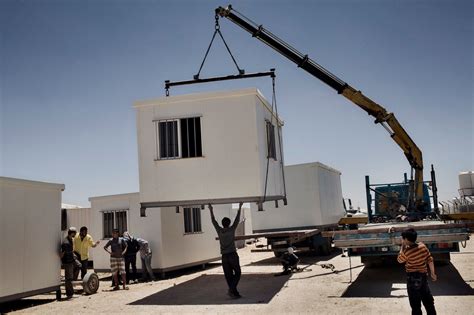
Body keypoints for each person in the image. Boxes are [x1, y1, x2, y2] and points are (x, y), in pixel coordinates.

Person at [397, 228, 437, 315]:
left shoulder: (407, 251)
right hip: (423, 277)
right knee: (428, 300)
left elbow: (399, 260)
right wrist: (433, 273)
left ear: (406, 239)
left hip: (412, 278)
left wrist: (402, 247)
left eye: (403, 239)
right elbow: (430, 259)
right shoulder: (423, 246)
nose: (402, 240)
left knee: (415, 303)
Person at [209, 203, 243, 298]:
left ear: (222, 224)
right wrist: (240, 207)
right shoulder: (232, 229)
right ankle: (231, 290)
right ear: (228, 223)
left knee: (228, 276)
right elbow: (237, 219)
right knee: (238, 273)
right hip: (232, 254)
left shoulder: (219, 231)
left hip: (224, 257)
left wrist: (211, 209)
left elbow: (213, 221)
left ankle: (234, 293)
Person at [60, 227, 80, 299]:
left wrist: (74, 255)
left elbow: (71, 251)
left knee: (78, 266)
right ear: (72, 233)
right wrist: (62, 262)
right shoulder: (66, 242)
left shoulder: (71, 239)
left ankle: (73, 282)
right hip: (67, 262)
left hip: (72, 259)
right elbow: (62, 254)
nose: (75, 234)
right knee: (68, 278)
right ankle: (69, 294)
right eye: (74, 233)